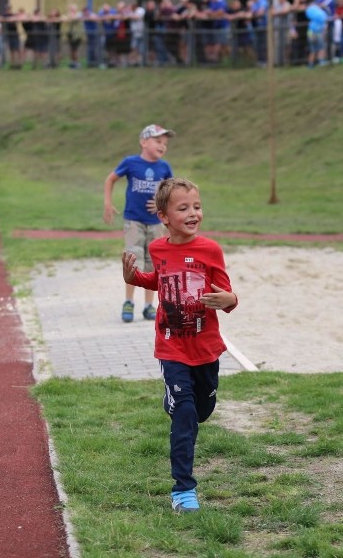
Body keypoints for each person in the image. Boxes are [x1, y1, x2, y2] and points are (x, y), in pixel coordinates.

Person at [121, 177, 238, 512]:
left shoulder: (210, 250)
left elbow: (228, 296)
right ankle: (183, 489)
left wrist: (228, 298)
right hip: (171, 346)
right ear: (164, 217)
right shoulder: (157, 249)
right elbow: (159, 281)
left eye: (197, 207)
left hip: (205, 347)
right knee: (184, 412)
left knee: (201, 411)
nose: (193, 213)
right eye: (183, 208)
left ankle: (178, 400)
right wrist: (135, 279)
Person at [104, 125, 176, 322]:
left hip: (156, 223)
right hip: (134, 220)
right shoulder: (131, 162)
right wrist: (108, 203)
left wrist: (162, 202)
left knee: (153, 262)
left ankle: (149, 305)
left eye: (165, 143)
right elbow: (111, 179)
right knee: (133, 260)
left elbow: (173, 191)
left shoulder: (164, 167)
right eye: (158, 141)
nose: (163, 146)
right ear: (144, 142)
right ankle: (129, 301)